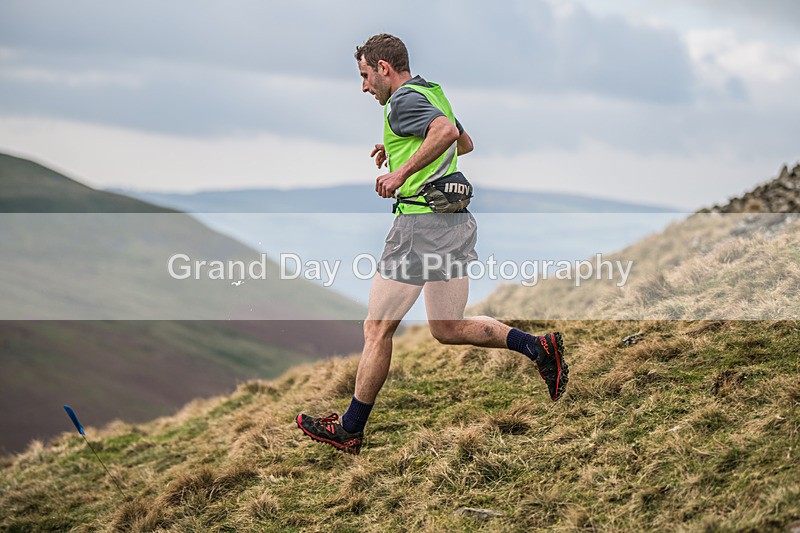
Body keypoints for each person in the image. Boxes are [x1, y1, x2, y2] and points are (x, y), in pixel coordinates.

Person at [296, 34, 568, 455]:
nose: (364, 87)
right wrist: (403, 146)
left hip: (420, 227)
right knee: (447, 327)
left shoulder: (402, 101)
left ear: (384, 68)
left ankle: (349, 429)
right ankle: (537, 347)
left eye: (365, 76)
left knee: (377, 328)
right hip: (453, 222)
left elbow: (443, 131)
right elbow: (464, 142)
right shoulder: (431, 91)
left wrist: (400, 171)